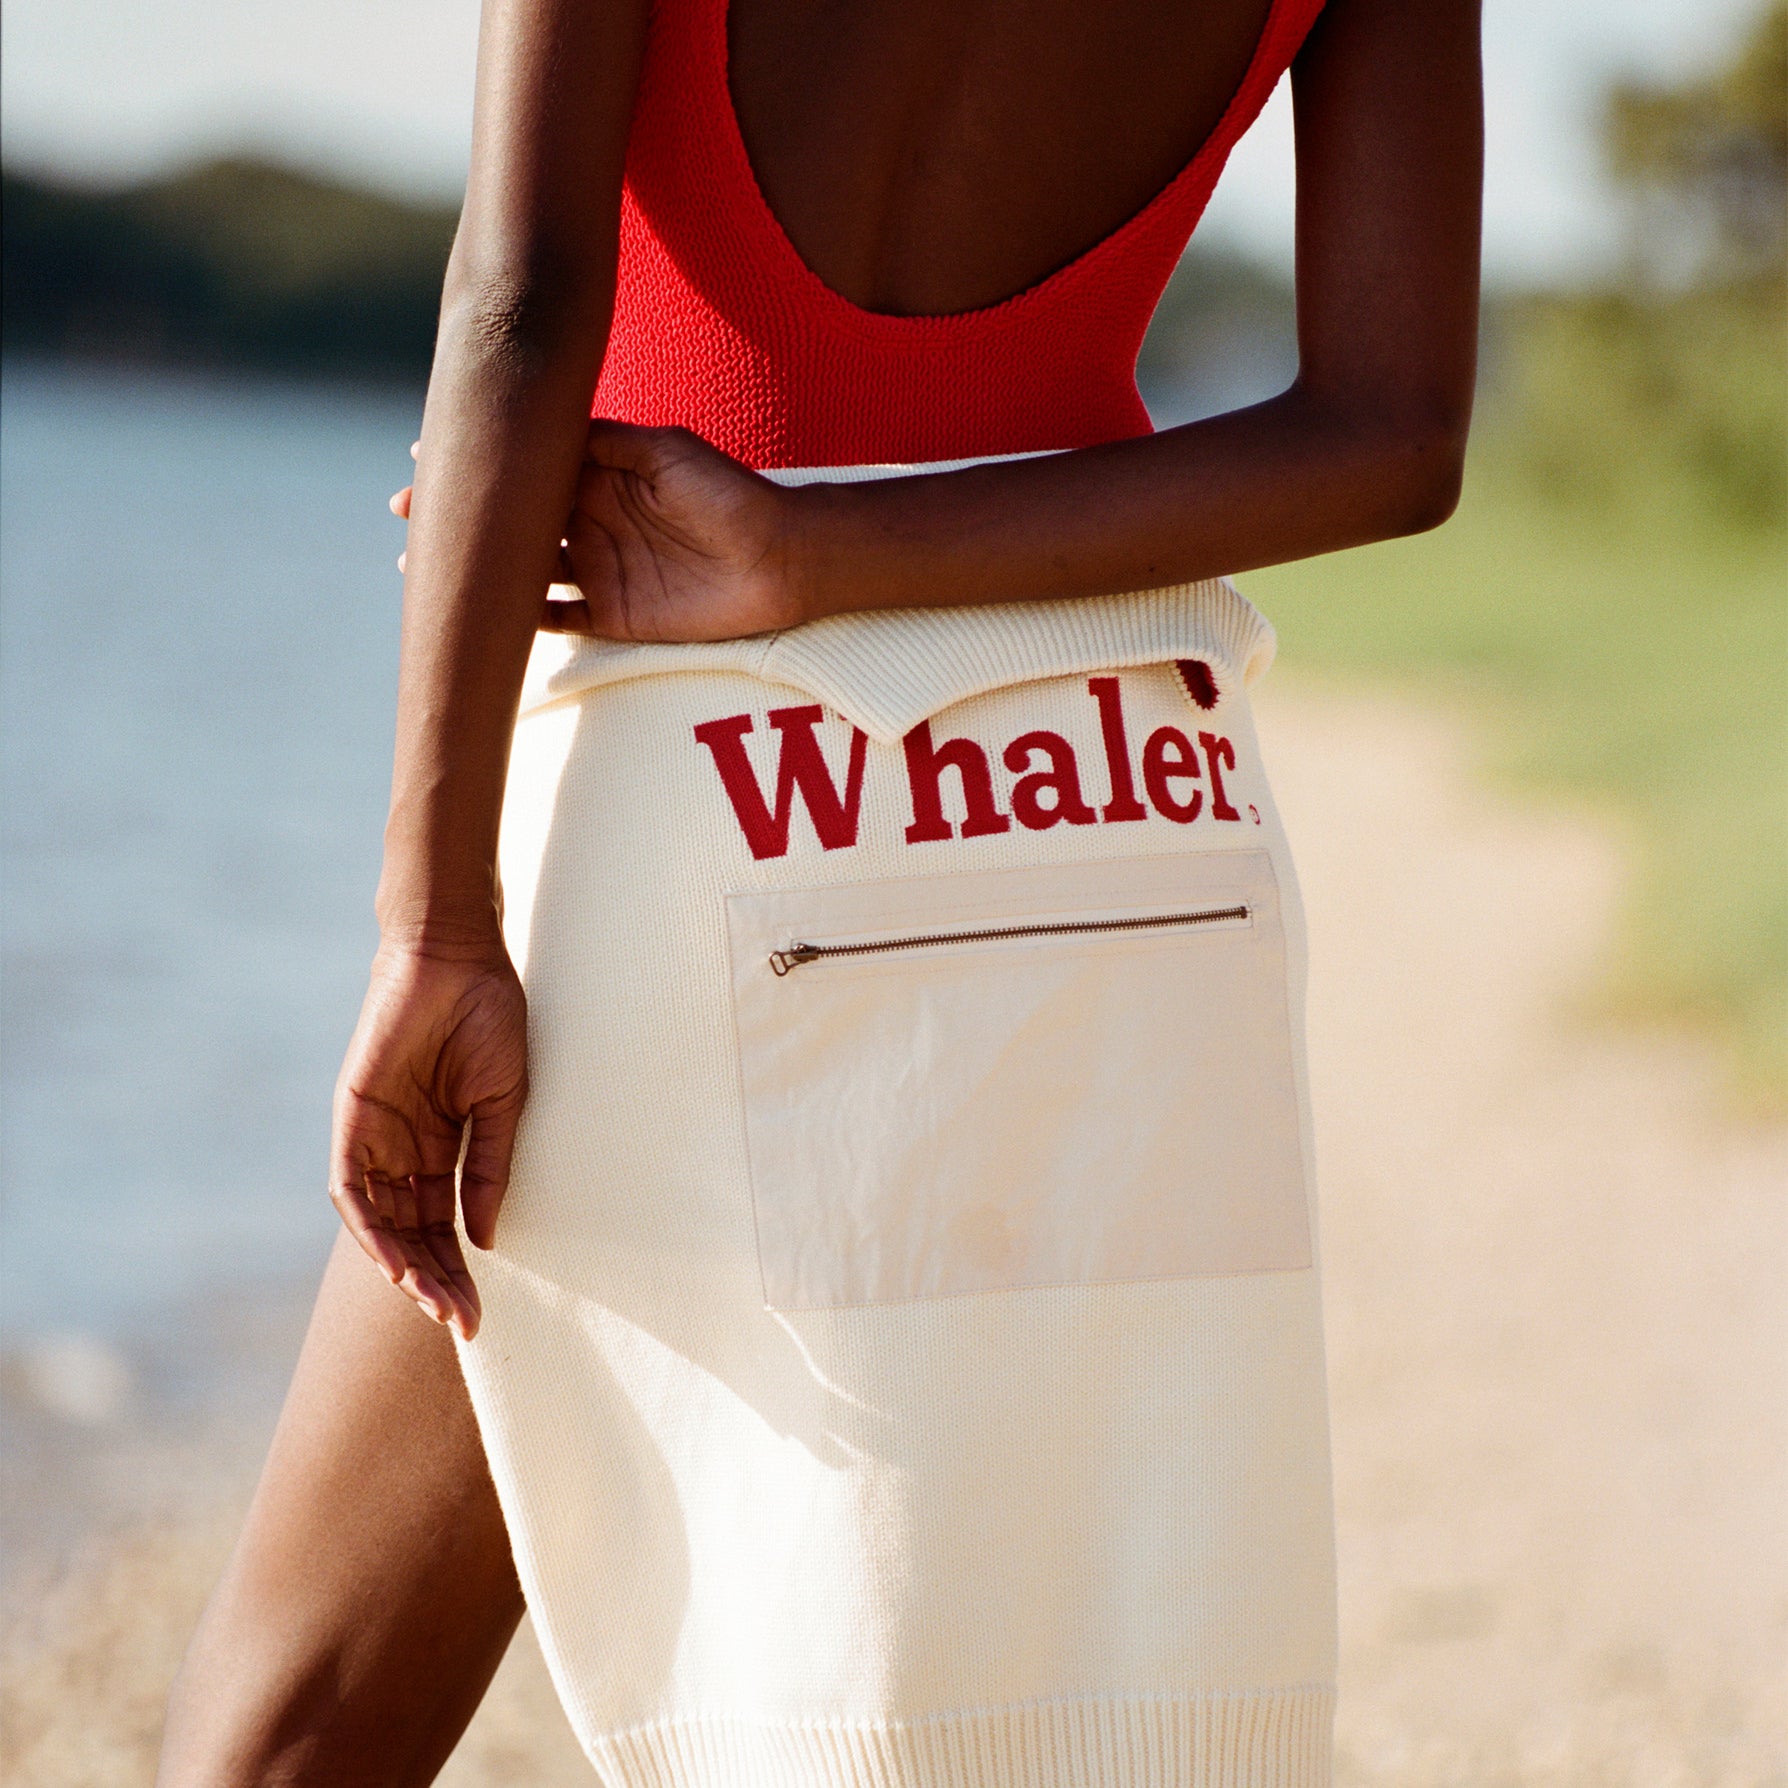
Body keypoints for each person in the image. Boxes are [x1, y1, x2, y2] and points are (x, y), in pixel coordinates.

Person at [159, 0, 1481, 1780]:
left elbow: (520, 303)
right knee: (1044, 1696)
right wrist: (817, 556)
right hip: (1122, 796)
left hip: (706, 779)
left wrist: (435, 922)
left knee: (292, 1727)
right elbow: (1396, 435)